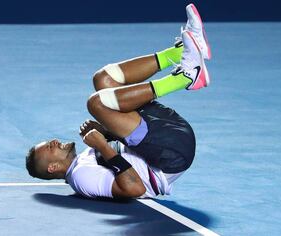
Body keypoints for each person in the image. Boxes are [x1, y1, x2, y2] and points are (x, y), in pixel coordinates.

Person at [25, 3, 212, 199]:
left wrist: (106, 131)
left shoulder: (83, 161)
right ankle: (186, 78)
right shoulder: (81, 178)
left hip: (164, 138)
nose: (54, 142)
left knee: (103, 79)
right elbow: (134, 189)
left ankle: (179, 53)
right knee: (96, 104)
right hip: (171, 153)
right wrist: (103, 146)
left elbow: (125, 151)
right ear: (53, 167)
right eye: (49, 147)